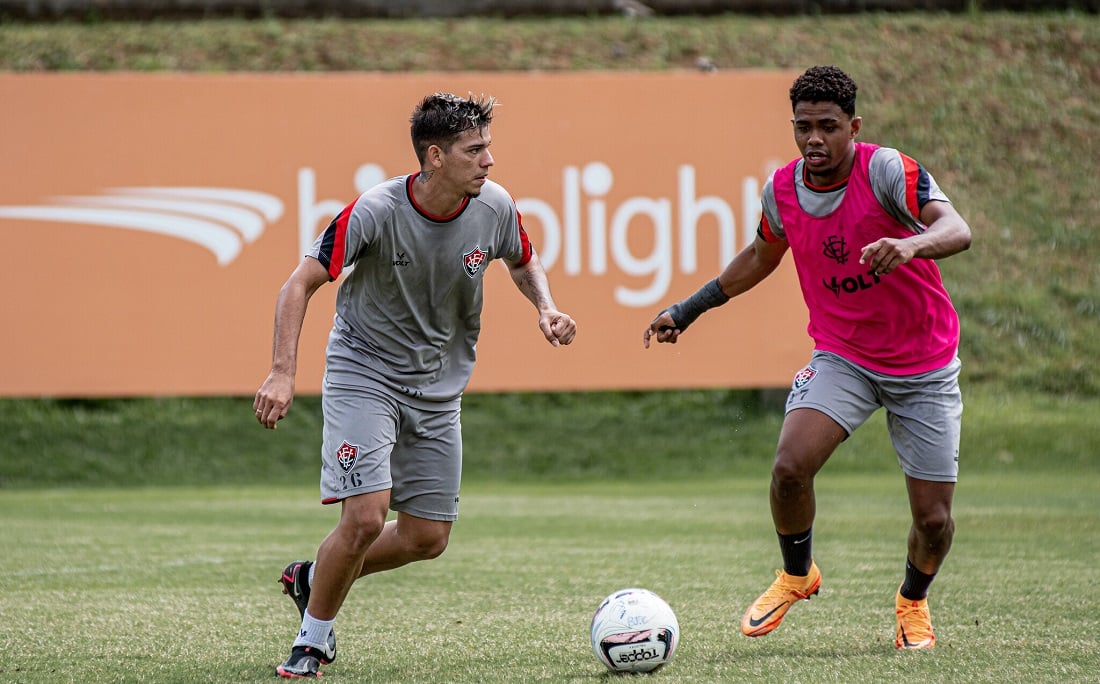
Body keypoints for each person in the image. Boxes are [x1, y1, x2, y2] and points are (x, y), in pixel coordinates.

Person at [643, 65, 971, 650]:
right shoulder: (784, 189)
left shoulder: (889, 170)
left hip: (923, 364)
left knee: (934, 521)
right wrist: (688, 309)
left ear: (854, 126)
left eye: (827, 126)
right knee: (789, 467)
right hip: (843, 357)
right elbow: (758, 256)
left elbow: (957, 228)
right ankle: (798, 575)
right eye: (803, 127)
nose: (814, 139)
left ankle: (912, 601)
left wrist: (910, 243)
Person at [254, 92, 577, 678]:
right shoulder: (375, 210)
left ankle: (311, 576)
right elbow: (297, 284)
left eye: (488, 147)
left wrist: (545, 309)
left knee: (428, 537)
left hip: (437, 386)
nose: (488, 161)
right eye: (474, 150)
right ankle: (313, 639)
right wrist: (282, 372)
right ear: (435, 157)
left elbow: (523, 261)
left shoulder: (496, 206)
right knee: (367, 517)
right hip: (364, 371)